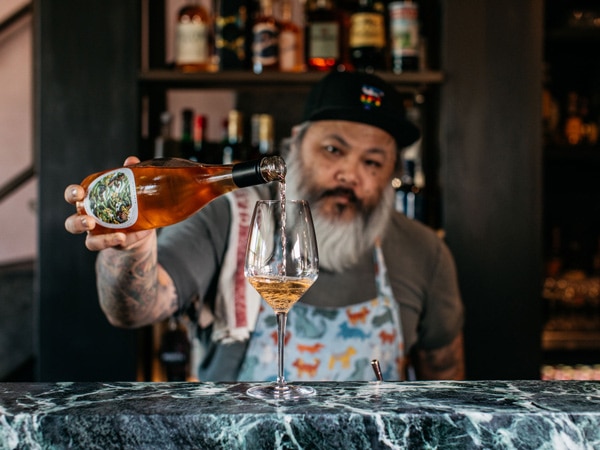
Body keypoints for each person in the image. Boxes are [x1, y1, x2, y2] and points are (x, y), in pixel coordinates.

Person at [64, 71, 465, 382]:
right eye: (333, 150)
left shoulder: (425, 252)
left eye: (372, 162)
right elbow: (135, 310)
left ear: (391, 171)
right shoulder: (227, 217)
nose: (349, 173)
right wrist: (131, 250)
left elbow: (445, 377)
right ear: (295, 144)